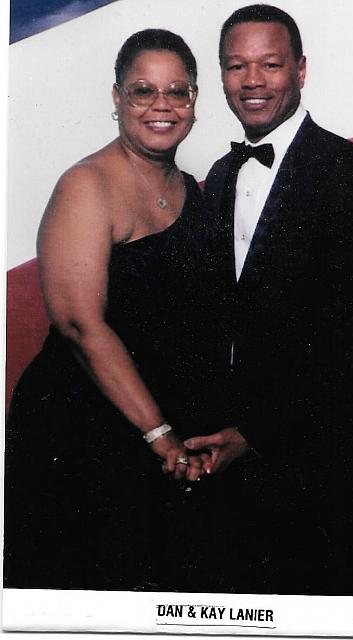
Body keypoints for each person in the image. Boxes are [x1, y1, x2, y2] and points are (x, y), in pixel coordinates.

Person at [185, 4, 353, 596]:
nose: (252, 81)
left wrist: (254, 433)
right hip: (234, 464)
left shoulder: (352, 172)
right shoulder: (221, 175)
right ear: (221, 76)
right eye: (236, 66)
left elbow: (347, 338)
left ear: (301, 70)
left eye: (271, 64)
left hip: (323, 466)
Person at [3, 28, 221, 592]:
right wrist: (160, 435)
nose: (161, 106)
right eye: (143, 90)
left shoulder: (193, 189)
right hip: (83, 429)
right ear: (118, 98)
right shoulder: (87, 185)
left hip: (162, 426)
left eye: (177, 91)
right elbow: (80, 325)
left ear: (195, 100)